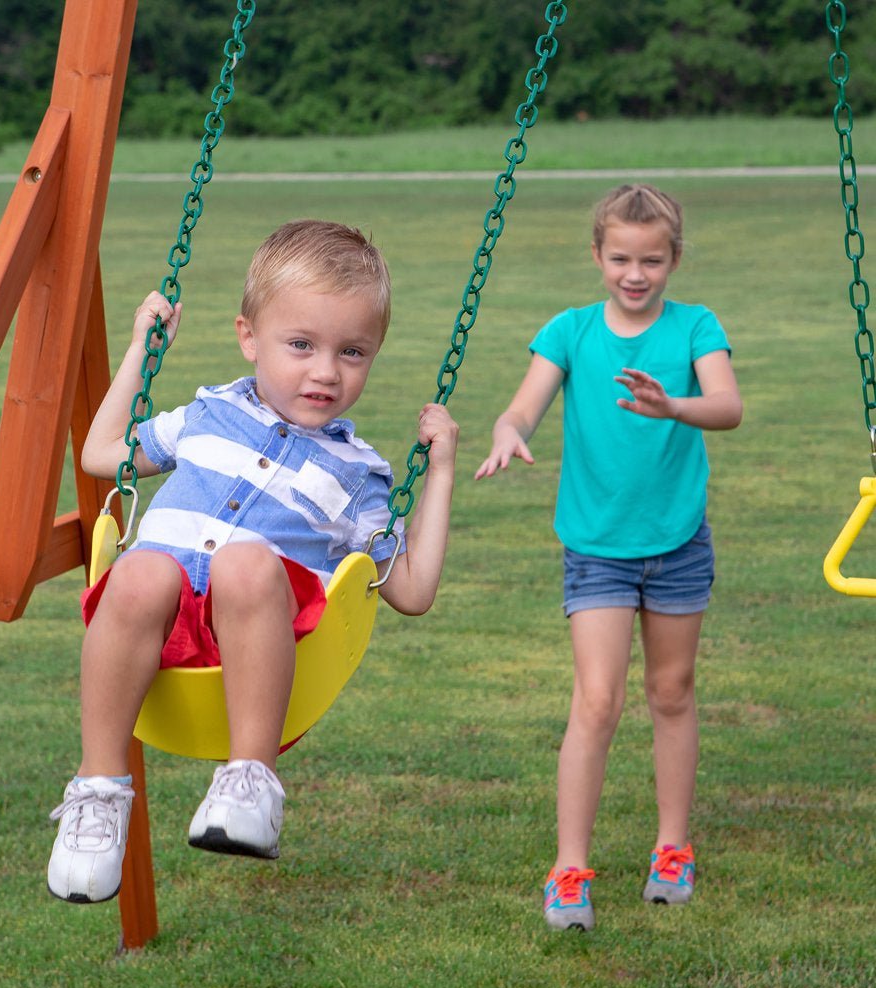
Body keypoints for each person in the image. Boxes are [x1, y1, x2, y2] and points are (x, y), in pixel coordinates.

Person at [47, 219, 459, 904]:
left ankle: (250, 782)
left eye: (352, 352)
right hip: (155, 628)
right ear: (249, 337)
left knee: (246, 562)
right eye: (301, 345)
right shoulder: (207, 414)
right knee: (144, 568)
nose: (325, 371)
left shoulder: (360, 475)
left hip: (256, 640)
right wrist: (138, 354)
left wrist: (439, 473)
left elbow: (411, 590)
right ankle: (98, 793)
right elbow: (101, 456)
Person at [475, 184, 742, 931]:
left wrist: (674, 406)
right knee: (597, 701)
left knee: (672, 691)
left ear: (673, 259)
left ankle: (671, 847)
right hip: (597, 548)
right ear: (598, 256)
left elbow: (728, 405)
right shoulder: (570, 331)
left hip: (678, 542)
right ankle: (569, 868)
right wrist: (507, 429)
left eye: (651, 260)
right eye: (621, 257)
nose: (636, 273)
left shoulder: (696, 327)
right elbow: (524, 404)